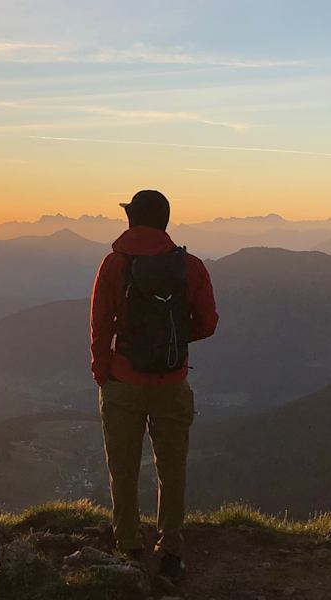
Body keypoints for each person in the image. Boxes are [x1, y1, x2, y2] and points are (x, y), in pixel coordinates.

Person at [89, 189, 219, 581]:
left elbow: (99, 324)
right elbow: (208, 322)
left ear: (132, 220)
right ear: (164, 221)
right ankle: (171, 551)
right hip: (172, 381)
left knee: (123, 467)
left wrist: (103, 370)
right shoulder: (190, 266)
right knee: (172, 469)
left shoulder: (113, 265)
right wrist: (174, 344)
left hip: (123, 381)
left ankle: (128, 543)